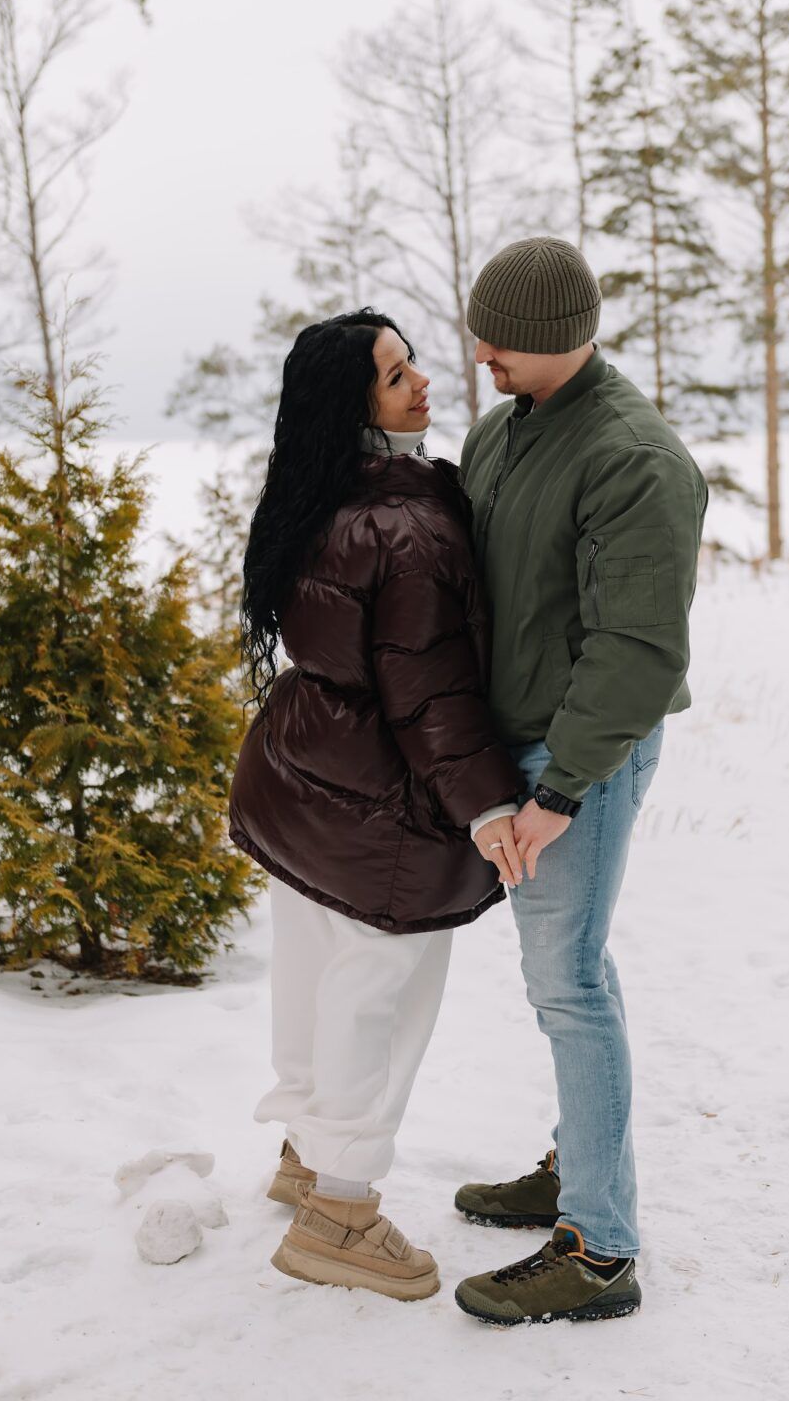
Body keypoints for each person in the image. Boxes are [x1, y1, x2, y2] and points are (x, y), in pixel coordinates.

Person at [228, 309, 527, 1303]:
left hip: (302, 783)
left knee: (315, 978)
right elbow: (429, 690)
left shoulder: (317, 493)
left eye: (411, 363)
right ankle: (340, 1215)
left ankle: (305, 1156)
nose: (421, 382)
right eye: (395, 376)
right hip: (380, 811)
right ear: (353, 407)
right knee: (381, 1003)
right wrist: (485, 808)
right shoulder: (406, 528)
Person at [450, 236, 709, 1327]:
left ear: (558, 338)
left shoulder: (633, 459)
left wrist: (556, 792)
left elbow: (637, 649)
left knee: (569, 983)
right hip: (517, 747)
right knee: (564, 977)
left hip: (578, 754)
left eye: (500, 340)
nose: (480, 355)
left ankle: (599, 1248)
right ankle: (577, 1164)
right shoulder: (504, 428)